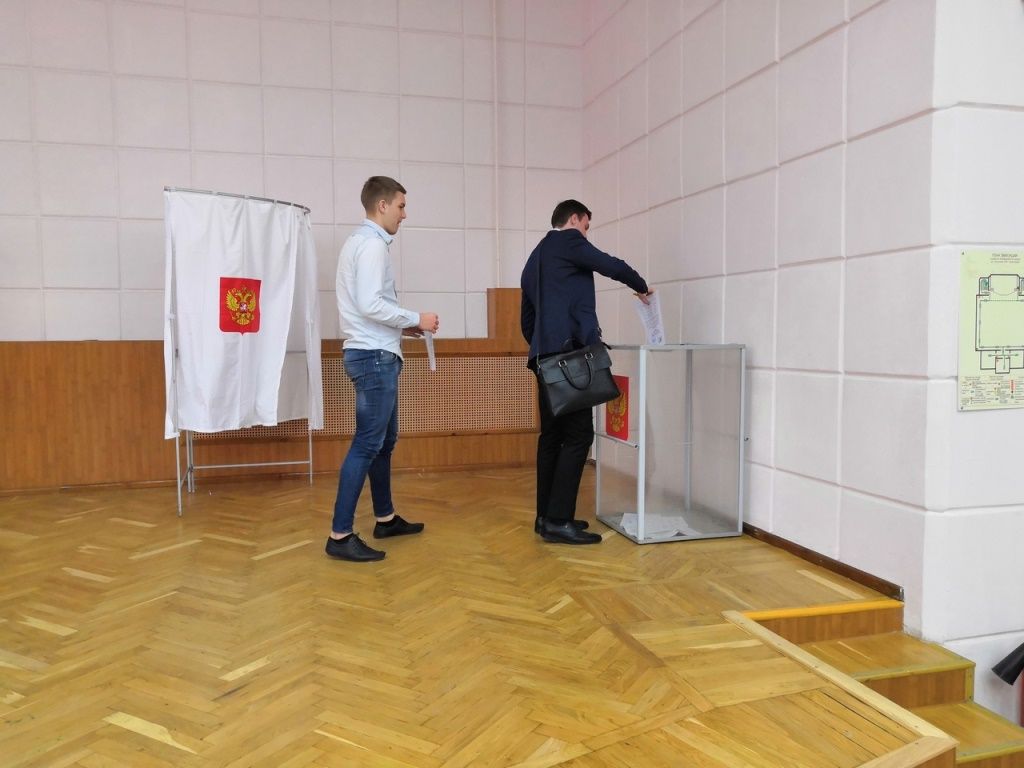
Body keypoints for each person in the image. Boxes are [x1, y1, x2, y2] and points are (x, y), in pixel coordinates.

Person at [520, 200, 651, 545]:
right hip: (570, 358)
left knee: (551, 437)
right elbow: (610, 265)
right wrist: (640, 285)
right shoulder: (569, 241)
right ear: (574, 219)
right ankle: (559, 520)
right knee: (579, 435)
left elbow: (527, 320)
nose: (586, 234)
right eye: (586, 226)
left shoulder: (534, 258)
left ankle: (545, 517)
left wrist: (543, 350)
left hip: (544, 359)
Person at [326, 176, 440, 562]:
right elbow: (370, 303)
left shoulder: (359, 242)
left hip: (374, 352)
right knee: (367, 444)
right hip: (373, 358)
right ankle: (340, 536)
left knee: (384, 442)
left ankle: (385, 518)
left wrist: (403, 327)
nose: (404, 215)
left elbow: (367, 307)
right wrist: (417, 318)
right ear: (382, 206)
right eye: (401, 206)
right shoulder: (373, 245)